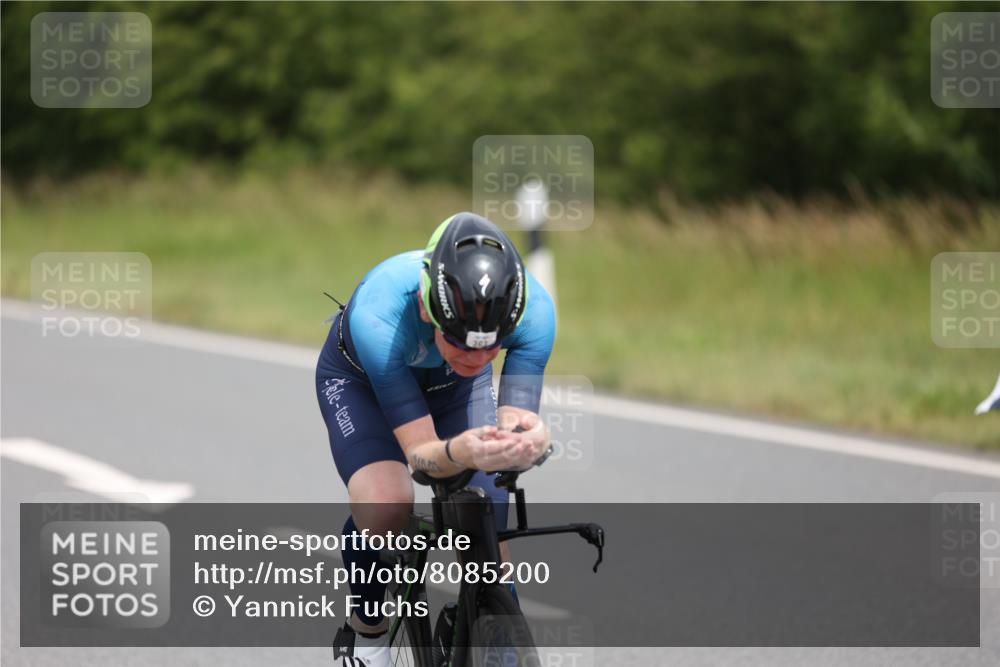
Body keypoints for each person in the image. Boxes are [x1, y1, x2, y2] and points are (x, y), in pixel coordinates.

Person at [315, 212, 556, 666]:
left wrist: (530, 441)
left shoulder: (535, 313)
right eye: (461, 342)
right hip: (362, 383)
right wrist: (460, 452)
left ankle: (482, 630)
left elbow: (517, 422)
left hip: (456, 390)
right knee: (386, 505)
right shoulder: (380, 313)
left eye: (491, 346)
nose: (478, 357)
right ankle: (367, 633)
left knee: (488, 523)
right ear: (429, 310)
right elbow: (423, 456)